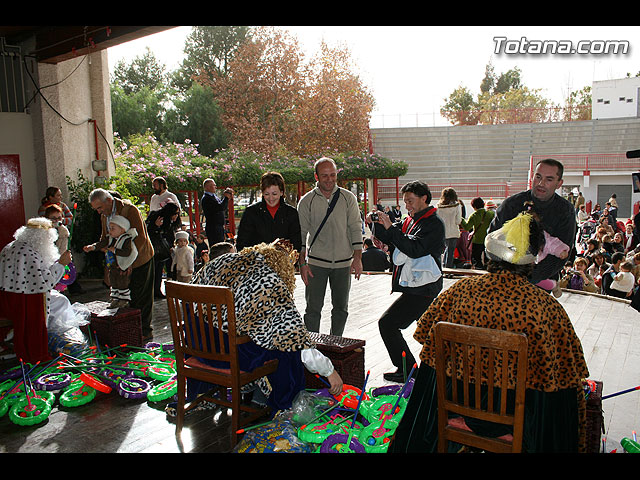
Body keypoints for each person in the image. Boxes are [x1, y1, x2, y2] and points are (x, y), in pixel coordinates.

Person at [388, 211, 590, 453]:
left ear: (488, 256)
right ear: (532, 261)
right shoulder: (545, 309)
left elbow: (425, 337)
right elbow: (568, 372)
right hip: (517, 418)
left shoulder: (458, 292)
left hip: (457, 404)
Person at [186, 240, 343, 412]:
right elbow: (296, 338)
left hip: (198, 345)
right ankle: (285, 407)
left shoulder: (222, 263)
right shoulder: (268, 280)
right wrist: (329, 371)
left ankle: (202, 393)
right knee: (287, 351)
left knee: (263, 336)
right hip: (228, 354)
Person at [370, 180, 445, 383]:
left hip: (424, 288)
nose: (407, 206)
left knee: (389, 323)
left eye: (410, 201)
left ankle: (410, 370)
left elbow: (414, 249)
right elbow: (391, 236)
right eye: (405, 202)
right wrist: (377, 223)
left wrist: (391, 231)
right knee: (428, 331)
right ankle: (416, 370)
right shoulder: (411, 220)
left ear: (424, 199)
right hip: (416, 287)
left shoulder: (433, 223)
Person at [297, 157, 363, 336]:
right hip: (316, 264)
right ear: (316, 177)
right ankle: (312, 349)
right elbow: (300, 236)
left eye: (332, 175)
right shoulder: (306, 201)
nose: (329, 179)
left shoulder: (348, 198)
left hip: (343, 263)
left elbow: (356, 228)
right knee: (313, 310)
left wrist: (357, 259)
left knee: (341, 309)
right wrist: (302, 264)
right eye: (324, 175)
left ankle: (336, 344)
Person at [489, 159, 576, 286]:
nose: (541, 183)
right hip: (505, 278)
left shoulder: (565, 210)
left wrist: (530, 279)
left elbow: (562, 253)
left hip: (541, 281)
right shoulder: (511, 205)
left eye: (549, 179)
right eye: (538, 177)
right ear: (532, 177)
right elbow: (492, 241)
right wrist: (509, 276)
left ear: (559, 183)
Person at [0, 218, 72, 362]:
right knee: (62, 302)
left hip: (7, 299)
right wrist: (61, 264)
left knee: (59, 301)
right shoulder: (30, 254)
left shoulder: (11, 246)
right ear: (42, 238)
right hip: (26, 301)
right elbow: (46, 282)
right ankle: (64, 338)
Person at [87, 189, 155, 339]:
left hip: (139, 259)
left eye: (99, 208)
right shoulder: (104, 216)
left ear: (109, 201)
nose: (99, 212)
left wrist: (129, 261)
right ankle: (131, 332)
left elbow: (140, 239)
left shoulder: (129, 210)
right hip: (119, 261)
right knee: (125, 297)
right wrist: (98, 247)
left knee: (141, 296)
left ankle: (144, 333)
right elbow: (105, 236)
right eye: (96, 209)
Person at [236, 171, 302, 254]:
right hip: (257, 262)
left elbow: (296, 243)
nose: (271, 198)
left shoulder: (291, 213)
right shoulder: (251, 212)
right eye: (267, 194)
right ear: (262, 193)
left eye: (274, 194)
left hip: (284, 263)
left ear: (281, 192)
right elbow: (242, 243)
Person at [84, 215, 138, 309]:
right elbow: (101, 244)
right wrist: (92, 247)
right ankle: (115, 298)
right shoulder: (110, 238)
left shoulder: (126, 240)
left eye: (113, 228)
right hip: (112, 266)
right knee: (113, 282)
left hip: (122, 267)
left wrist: (115, 251)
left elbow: (128, 252)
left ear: (122, 229)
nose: (110, 231)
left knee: (122, 283)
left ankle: (124, 300)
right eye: (110, 228)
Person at [146, 201, 182, 298]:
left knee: (158, 271)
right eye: (175, 214)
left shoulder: (169, 221)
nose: (176, 216)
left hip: (163, 249)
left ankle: (157, 290)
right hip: (156, 248)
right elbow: (149, 231)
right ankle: (153, 291)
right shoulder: (159, 218)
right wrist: (156, 226)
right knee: (154, 271)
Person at [460, 197, 494, 270]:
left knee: (476, 258)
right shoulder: (491, 214)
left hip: (477, 240)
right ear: (483, 204)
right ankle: (487, 269)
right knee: (487, 257)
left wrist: (461, 219)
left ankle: (478, 268)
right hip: (488, 239)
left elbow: (467, 227)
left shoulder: (474, 215)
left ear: (474, 207)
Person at [201, 178, 233, 245]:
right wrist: (226, 198)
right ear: (207, 187)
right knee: (217, 247)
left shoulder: (214, 196)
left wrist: (227, 197)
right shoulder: (206, 198)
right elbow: (220, 207)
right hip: (213, 228)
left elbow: (222, 206)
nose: (215, 187)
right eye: (213, 185)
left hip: (219, 226)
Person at [437, 187, 462, 269]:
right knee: (450, 250)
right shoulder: (457, 206)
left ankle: (444, 265)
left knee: (445, 249)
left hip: (442, 232)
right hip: (453, 231)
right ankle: (449, 268)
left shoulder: (439, 206)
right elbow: (458, 221)